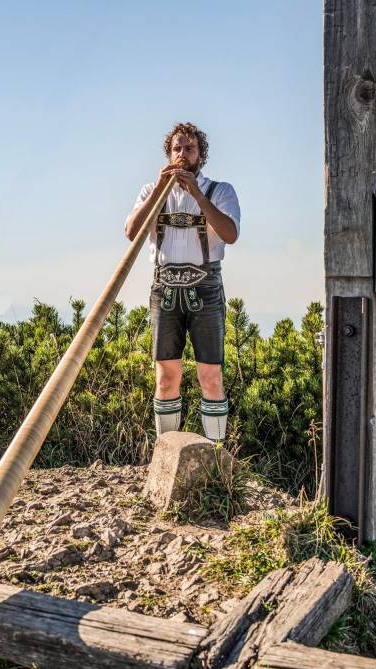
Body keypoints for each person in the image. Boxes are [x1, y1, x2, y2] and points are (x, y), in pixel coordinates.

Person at [124, 122, 241, 442]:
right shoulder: (151, 191)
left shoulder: (221, 191)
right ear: (168, 154)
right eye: (176, 148)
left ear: (200, 155)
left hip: (206, 287)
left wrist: (198, 195)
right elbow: (132, 233)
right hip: (164, 288)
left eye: (189, 148)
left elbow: (230, 234)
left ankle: (216, 456)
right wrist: (160, 190)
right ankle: (166, 451)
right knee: (165, 377)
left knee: (211, 376)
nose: (182, 154)